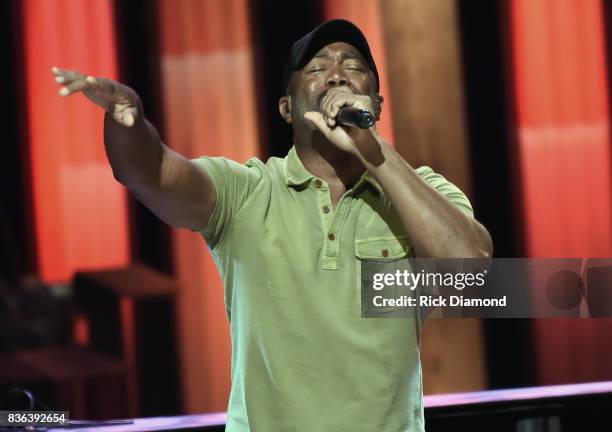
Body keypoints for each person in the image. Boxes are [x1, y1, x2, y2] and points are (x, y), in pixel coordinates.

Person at [52, 19, 492, 432]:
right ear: (286, 107)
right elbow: (153, 173)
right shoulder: (247, 192)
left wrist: (372, 150)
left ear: (376, 104)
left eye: (354, 68)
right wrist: (127, 122)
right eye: (318, 68)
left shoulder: (420, 191)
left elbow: (471, 271)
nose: (337, 76)